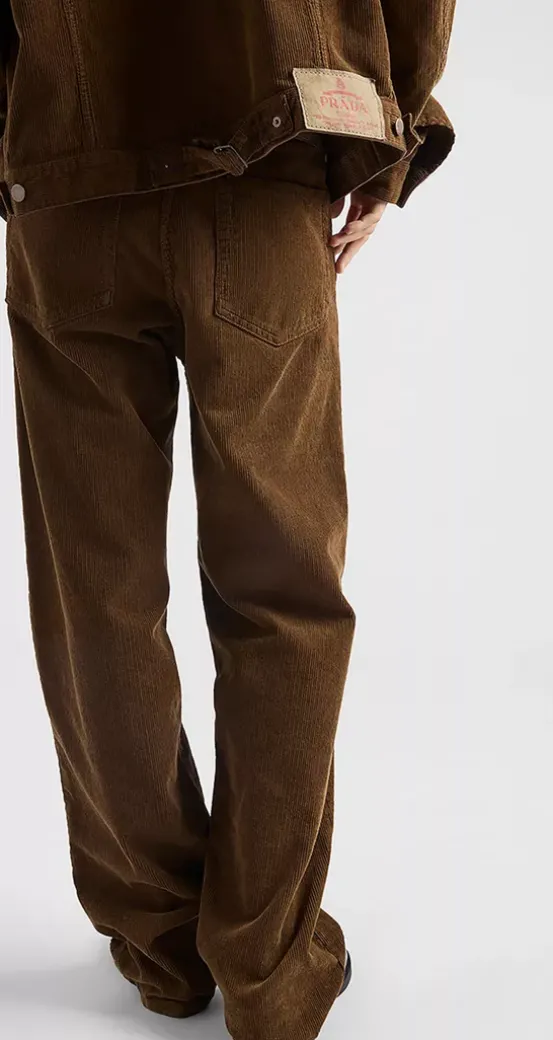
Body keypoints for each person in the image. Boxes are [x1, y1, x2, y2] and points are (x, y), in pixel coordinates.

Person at [0, 2, 455, 1039]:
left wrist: (24, 139)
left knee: (93, 595)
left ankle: (160, 939)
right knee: (283, 589)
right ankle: (269, 965)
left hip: (69, 187)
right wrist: (389, 130)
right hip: (264, 166)